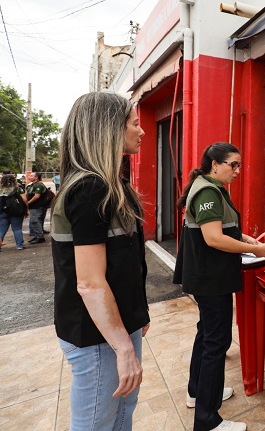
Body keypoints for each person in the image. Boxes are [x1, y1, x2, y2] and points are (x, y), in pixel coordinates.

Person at [51, 92, 150, 430]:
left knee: (123, 411)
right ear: (109, 129)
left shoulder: (111, 184)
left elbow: (126, 262)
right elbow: (90, 282)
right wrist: (123, 348)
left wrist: (138, 315)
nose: (143, 131)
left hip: (119, 323)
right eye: (135, 124)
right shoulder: (90, 189)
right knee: (98, 421)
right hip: (97, 336)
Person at [173, 142, 265, 431]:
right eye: (233, 164)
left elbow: (221, 227)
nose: (237, 170)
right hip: (210, 278)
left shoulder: (211, 187)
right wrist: (253, 251)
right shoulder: (207, 191)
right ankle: (207, 419)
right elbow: (214, 238)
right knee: (216, 343)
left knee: (206, 335)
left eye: (239, 165)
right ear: (215, 164)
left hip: (209, 276)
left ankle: (198, 391)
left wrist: (248, 240)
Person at [0, 172, 27, 251]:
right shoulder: (18, 189)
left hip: (3, 211)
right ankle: (19, 245)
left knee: (1, 229)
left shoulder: (0, 190)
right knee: (17, 229)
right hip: (16, 212)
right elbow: (25, 200)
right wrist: (26, 210)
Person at [25, 171, 47, 243]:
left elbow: (36, 196)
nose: (29, 177)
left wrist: (28, 203)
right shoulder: (33, 185)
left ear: (36, 177)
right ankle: (38, 235)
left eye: (31, 176)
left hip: (37, 206)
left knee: (34, 220)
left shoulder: (38, 185)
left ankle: (40, 237)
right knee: (34, 221)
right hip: (34, 206)